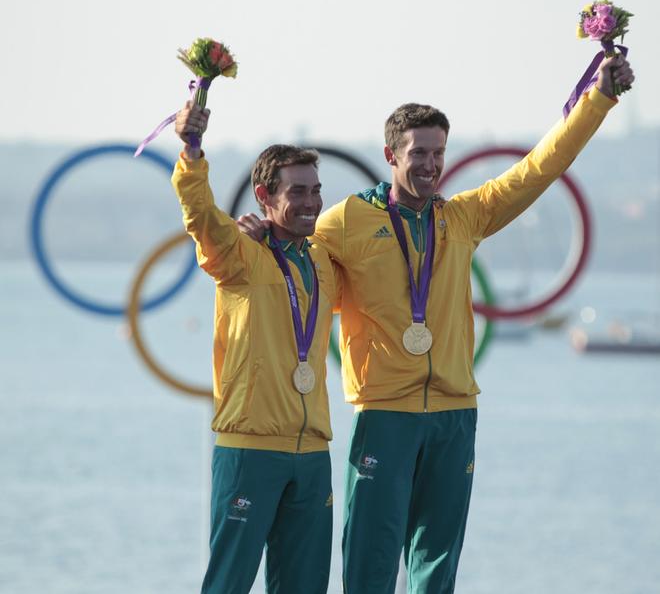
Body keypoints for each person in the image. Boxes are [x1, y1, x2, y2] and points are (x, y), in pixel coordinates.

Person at [237, 54, 635, 593]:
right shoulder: (348, 222)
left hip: (455, 414)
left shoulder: (463, 218)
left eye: (439, 153)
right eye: (418, 153)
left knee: (436, 566)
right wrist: (252, 243)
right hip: (384, 415)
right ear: (390, 156)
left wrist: (598, 99)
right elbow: (295, 273)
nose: (430, 164)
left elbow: (540, 167)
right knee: (370, 565)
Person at [171, 100, 340, 594]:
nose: (311, 203)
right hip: (250, 447)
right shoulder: (240, 253)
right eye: (297, 192)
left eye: (316, 191)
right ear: (265, 195)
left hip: (312, 451)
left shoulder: (325, 261)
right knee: (228, 584)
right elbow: (199, 213)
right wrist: (191, 148)